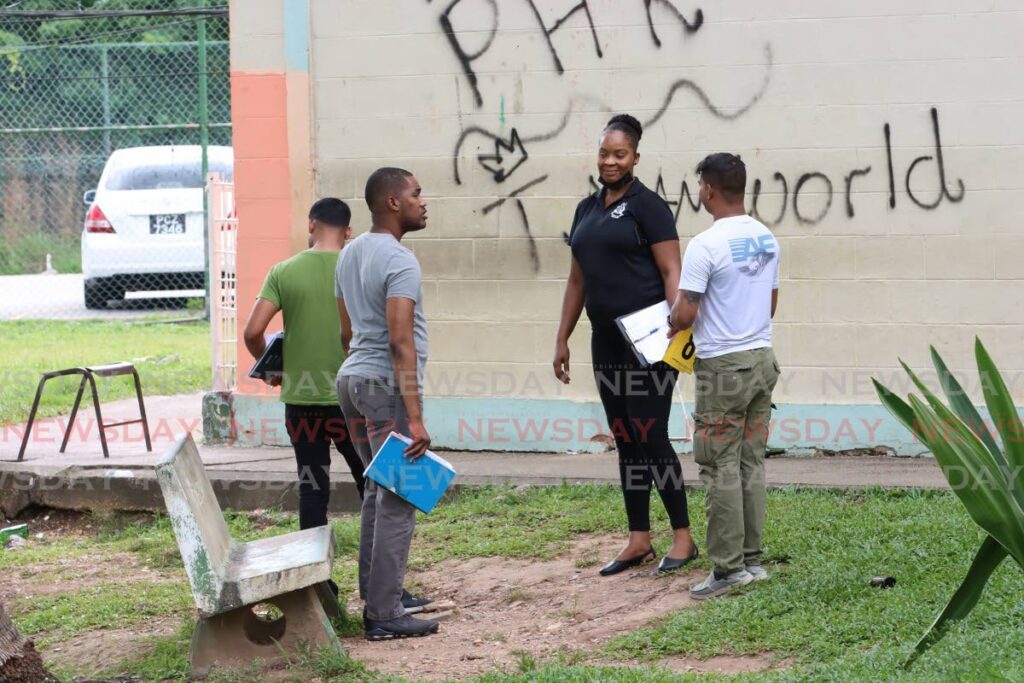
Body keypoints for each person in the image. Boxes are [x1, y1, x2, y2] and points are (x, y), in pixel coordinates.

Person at [554, 114, 697, 576]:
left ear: (636, 156)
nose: (610, 161)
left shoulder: (648, 206)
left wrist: (679, 319)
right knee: (625, 438)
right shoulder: (586, 210)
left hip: (650, 339)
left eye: (620, 154)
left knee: (651, 435)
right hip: (606, 341)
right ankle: (638, 537)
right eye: (604, 153)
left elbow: (672, 269)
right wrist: (562, 337)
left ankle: (683, 536)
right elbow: (577, 279)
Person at [669, 153, 781, 601]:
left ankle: (728, 570)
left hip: (722, 369)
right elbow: (770, 304)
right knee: (750, 461)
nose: (700, 192)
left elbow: (686, 311)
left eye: (700, 186)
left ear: (709, 189)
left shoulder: (705, 245)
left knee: (718, 466)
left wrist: (674, 319)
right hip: (761, 360)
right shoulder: (767, 238)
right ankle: (751, 560)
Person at [336, 167, 438, 641]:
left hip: (352, 380)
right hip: (384, 385)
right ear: (393, 203)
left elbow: (346, 333)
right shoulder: (400, 260)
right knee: (399, 496)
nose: (424, 201)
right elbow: (401, 342)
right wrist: (414, 418)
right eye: (416, 194)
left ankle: (380, 592)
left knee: (377, 489)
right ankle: (383, 614)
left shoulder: (349, 253)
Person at [242, 198, 366, 539]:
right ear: (349, 232)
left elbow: (252, 333)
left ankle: (317, 586)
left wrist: (271, 370)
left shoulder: (283, 271)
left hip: (302, 404)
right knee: (371, 484)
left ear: (311, 225)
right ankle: (380, 580)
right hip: (351, 401)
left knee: (312, 491)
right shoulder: (358, 270)